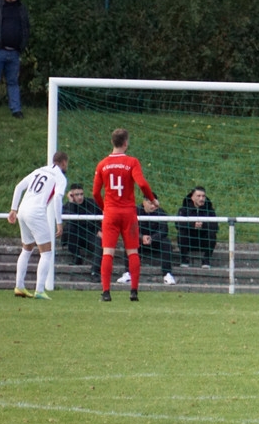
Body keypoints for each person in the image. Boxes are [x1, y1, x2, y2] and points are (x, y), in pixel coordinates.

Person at [93, 128, 158, 302]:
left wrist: (105, 208)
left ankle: (106, 292)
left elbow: (95, 193)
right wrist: (152, 200)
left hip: (111, 213)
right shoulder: (131, 162)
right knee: (132, 251)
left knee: (108, 252)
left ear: (112, 142)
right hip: (128, 212)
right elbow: (142, 184)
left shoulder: (102, 164)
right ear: (125, 143)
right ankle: (134, 291)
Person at [8, 152, 68, 299]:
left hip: (22, 210)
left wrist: (13, 209)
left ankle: (19, 286)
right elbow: (58, 199)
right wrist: (59, 222)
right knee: (46, 252)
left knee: (27, 248)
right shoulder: (60, 177)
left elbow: (19, 187)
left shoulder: (39, 170)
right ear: (64, 162)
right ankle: (40, 290)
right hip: (36, 212)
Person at [118, 199, 176, 285]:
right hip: (139, 242)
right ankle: (128, 274)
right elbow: (130, 229)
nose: (153, 206)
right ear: (144, 202)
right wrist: (141, 237)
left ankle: (167, 274)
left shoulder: (161, 212)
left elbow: (164, 230)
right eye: (150, 203)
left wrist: (152, 238)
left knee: (166, 242)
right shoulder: (135, 211)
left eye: (154, 204)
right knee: (129, 242)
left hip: (155, 242)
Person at [61, 183, 102, 279]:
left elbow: (101, 217)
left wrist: (100, 230)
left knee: (99, 243)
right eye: (76, 195)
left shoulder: (91, 203)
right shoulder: (68, 206)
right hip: (75, 236)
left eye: (81, 194)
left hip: (90, 234)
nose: (80, 197)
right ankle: (77, 257)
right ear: (71, 195)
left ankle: (95, 272)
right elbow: (69, 220)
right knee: (69, 228)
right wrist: (71, 203)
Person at [177, 186, 218, 268]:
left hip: (203, 240)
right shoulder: (184, 209)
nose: (201, 199)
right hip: (189, 240)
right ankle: (184, 259)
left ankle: (206, 260)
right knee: (181, 233)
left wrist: (203, 225)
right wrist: (193, 225)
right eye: (198, 196)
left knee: (212, 234)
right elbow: (178, 224)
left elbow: (215, 227)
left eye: (203, 196)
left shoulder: (210, 210)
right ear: (192, 197)